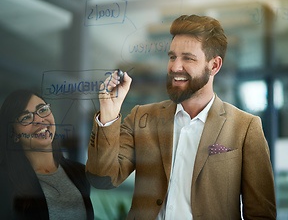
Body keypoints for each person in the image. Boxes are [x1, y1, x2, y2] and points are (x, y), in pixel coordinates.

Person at [86, 14, 276, 219]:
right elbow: (102, 178)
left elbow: (260, 213)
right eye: (172, 57)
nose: (175, 67)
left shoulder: (246, 127)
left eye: (188, 58)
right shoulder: (142, 118)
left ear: (214, 65)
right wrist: (108, 112)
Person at [0, 89, 94, 220]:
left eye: (42, 109)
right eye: (26, 117)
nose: (39, 120)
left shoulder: (79, 172)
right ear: (14, 135)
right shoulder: (5, 183)